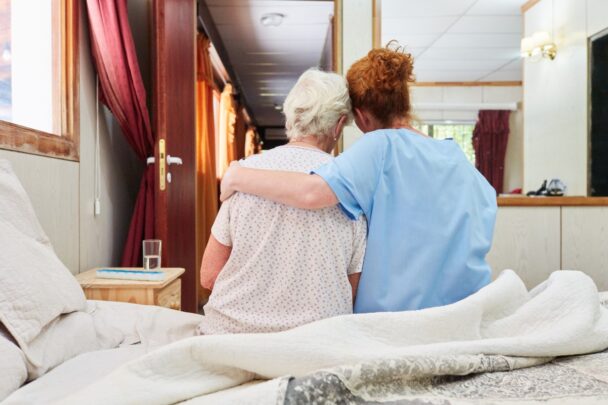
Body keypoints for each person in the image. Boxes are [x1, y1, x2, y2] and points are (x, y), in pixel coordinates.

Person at [220, 45, 497, 314]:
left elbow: (310, 193)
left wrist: (237, 175)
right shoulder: (455, 156)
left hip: (396, 321)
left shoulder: (380, 146)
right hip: (465, 311)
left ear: (361, 116)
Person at [198, 69, 367, 335]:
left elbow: (209, 275)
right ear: (338, 126)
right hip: (314, 344)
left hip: (230, 339)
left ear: (290, 119)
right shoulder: (350, 187)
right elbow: (353, 290)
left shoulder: (244, 174)